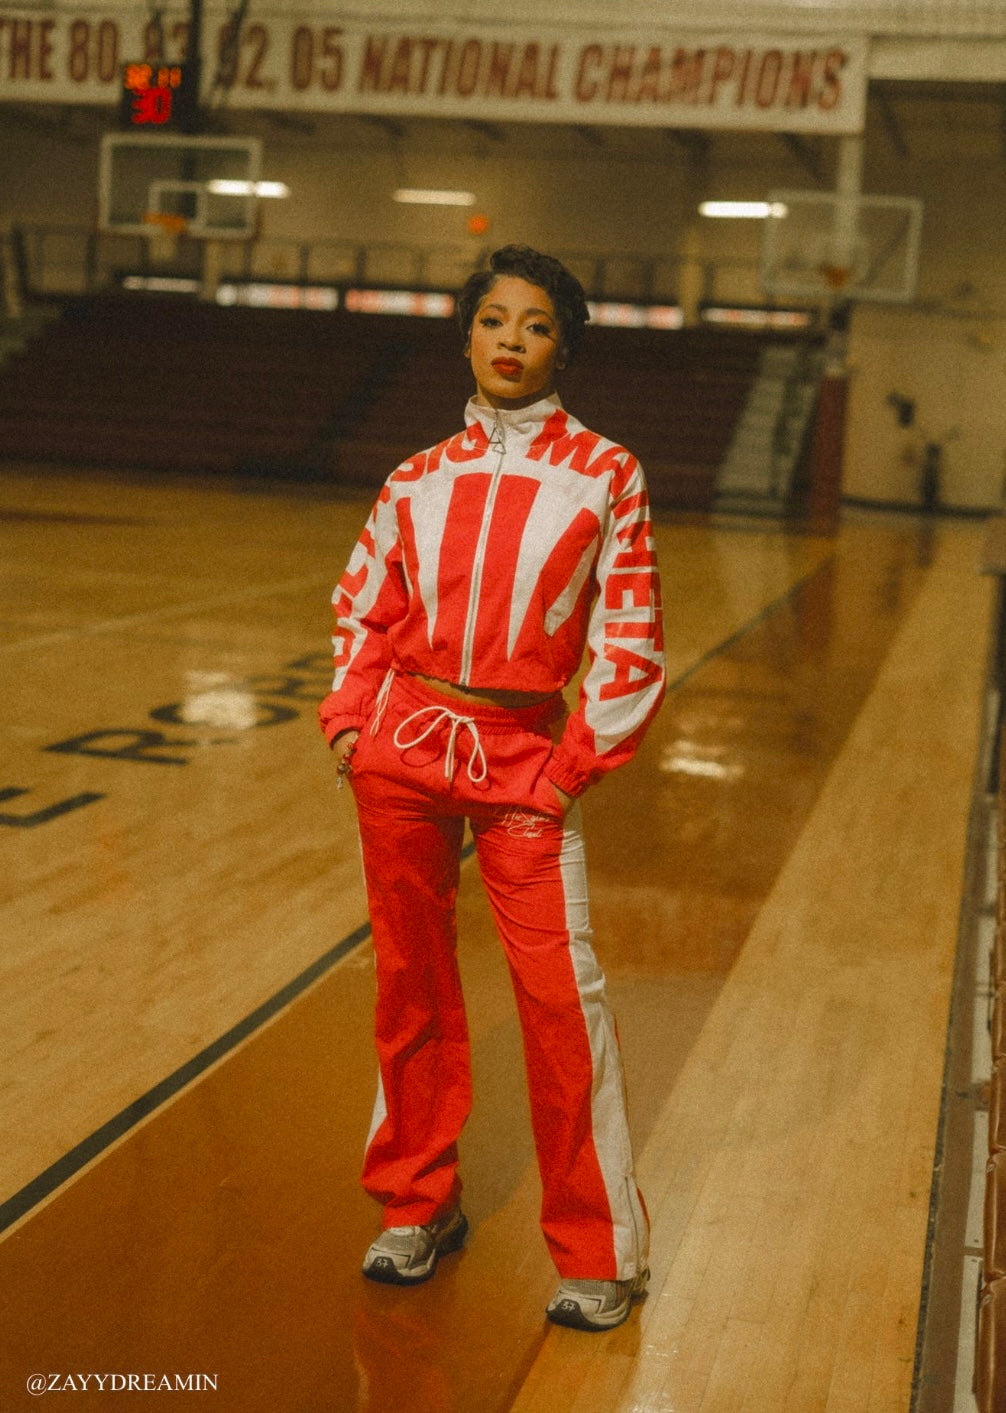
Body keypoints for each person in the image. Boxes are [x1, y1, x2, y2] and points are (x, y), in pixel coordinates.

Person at [318, 245, 666, 1333]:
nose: (512, 340)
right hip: (402, 753)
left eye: (537, 324)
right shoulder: (414, 477)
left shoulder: (607, 472)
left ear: (564, 347)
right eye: (494, 320)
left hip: (526, 762)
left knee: (561, 1000)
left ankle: (600, 1251)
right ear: (465, 336)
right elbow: (363, 605)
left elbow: (630, 634)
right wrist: (350, 721)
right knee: (410, 987)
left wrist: (574, 764)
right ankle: (417, 1205)